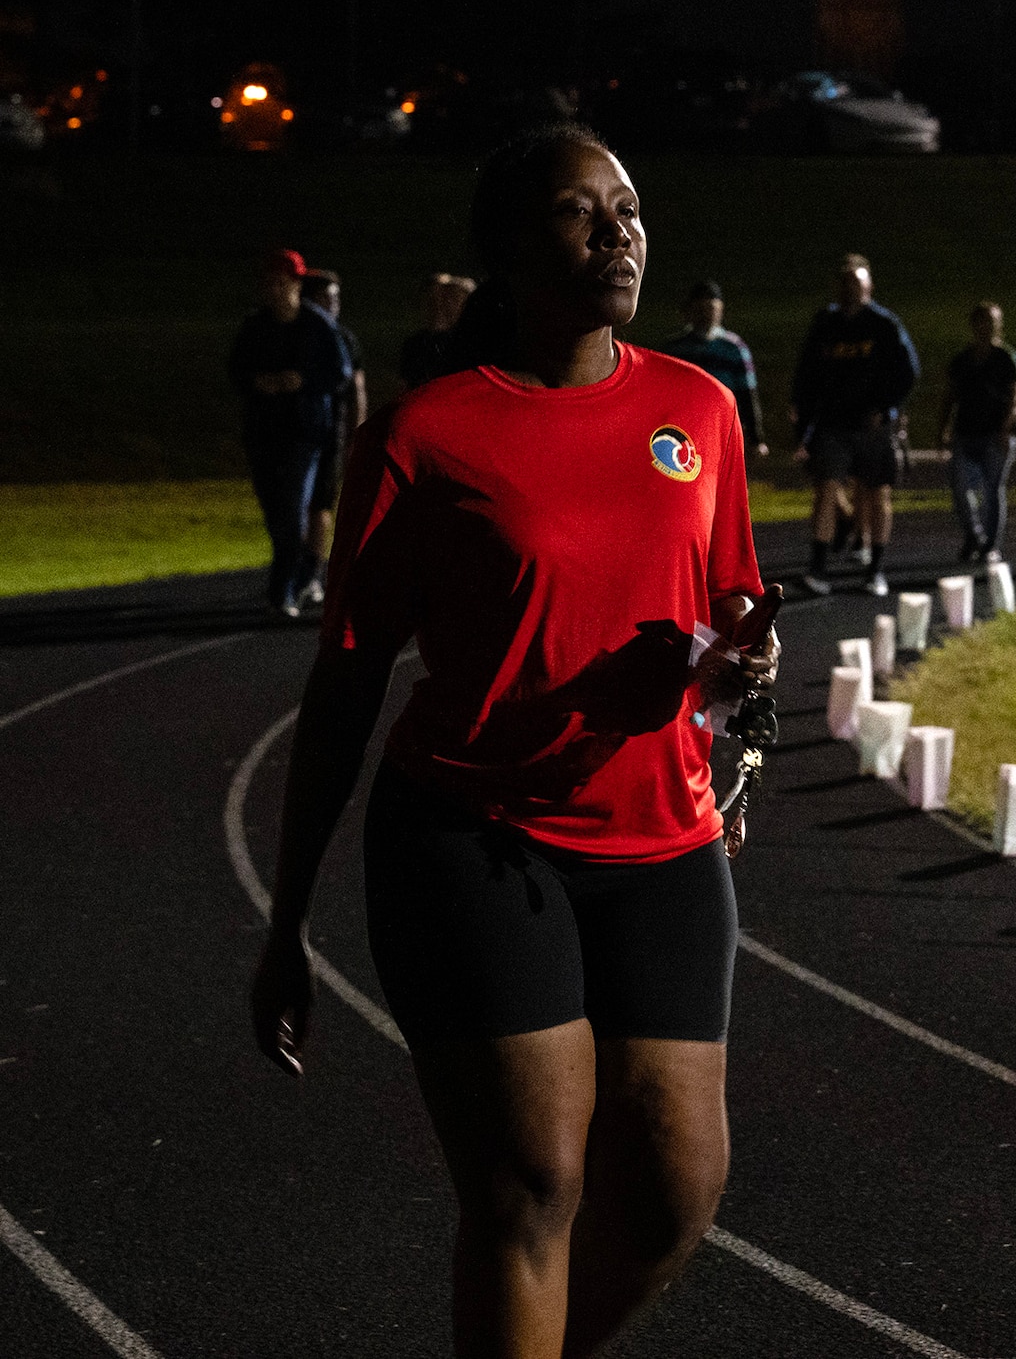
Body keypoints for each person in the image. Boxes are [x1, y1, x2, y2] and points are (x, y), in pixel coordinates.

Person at [249, 124, 780, 1359]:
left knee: (676, 1191)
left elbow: (733, 610)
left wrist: (740, 685)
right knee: (531, 1184)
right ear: (502, 248)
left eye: (632, 205)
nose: (618, 230)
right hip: (473, 838)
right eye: (578, 210)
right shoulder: (428, 437)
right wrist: (284, 924)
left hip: (659, 839)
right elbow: (343, 684)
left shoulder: (696, 407)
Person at [228, 248, 353, 616]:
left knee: (294, 505)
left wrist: (303, 381)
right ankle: (293, 575)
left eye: (282, 282)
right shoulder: (254, 327)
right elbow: (236, 370)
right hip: (263, 432)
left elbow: (341, 373)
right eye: (269, 283)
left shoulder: (318, 326)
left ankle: (282, 589)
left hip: (305, 431)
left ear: (297, 284)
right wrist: (258, 382)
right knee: (274, 510)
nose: (275, 290)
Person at [789, 253, 919, 597]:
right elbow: (807, 374)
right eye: (845, 284)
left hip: (872, 425)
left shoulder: (885, 326)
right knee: (827, 491)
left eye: (857, 284)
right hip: (833, 422)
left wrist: (885, 406)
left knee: (878, 493)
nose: (851, 291)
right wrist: (802, 420)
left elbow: (908, 372)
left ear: (869, 287)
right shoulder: (825, 325)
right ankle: (817, 568)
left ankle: (875, 569)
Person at [300, 269, 369, 605]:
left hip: (332, 432)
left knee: (322, 502)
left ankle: (312, 571)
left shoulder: (344, 337)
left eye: (336, 298)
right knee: (293, 505)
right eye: (325, 298)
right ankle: (293, 568)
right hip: (298, 431)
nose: (332, 304)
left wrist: (359, 431)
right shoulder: (296, 333)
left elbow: (357, 388)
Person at [937, 300, 1016, 562]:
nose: (987, 327)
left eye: (992, 322)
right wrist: (943, 428)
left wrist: (1005, 430)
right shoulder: (962, 360)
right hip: (966, 432)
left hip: (994, 434)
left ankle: (991, 545)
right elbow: (950, 396)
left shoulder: (1007, 359)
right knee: (961, 489)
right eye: (982, 321)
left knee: (993, 489)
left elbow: (1014, 398)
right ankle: (973, 535)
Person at [659, 280, 767, 458]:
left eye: (711, 308)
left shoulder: (734, 348)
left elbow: (748, 394)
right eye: (701, 309)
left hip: (722, 425)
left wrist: (756, 438)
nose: (706, 315)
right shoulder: (676, 349)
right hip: (684, 427)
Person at [397, 272, 477, 395]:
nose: (437, 305)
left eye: (454, 299)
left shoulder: (468, 342)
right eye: (430, 299)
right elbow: (405, 386)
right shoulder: (415, 344)